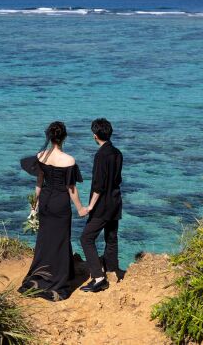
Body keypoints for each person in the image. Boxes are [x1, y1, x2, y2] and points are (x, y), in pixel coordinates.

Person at [19, 121, 87, 301]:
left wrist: (35, 204)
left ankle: (40, 275)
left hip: (46, 201)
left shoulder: (41, 156)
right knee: (61, 240)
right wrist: (81, 208)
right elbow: (71, 188)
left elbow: (39, 182)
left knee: (45, 239)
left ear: (49, 136)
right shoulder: (69, 160)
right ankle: (58, 279)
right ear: (64, 137)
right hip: (60, 202)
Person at [79, 118, 123, 293]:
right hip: (115, 201)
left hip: (102, 205)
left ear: (95, 136)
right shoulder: (117, 153)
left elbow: (98, 186)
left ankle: (98, 278)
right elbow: (116, 179)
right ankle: (112, 270)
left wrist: (89, 207)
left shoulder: (100, 156)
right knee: (111, 238)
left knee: (86, 238)